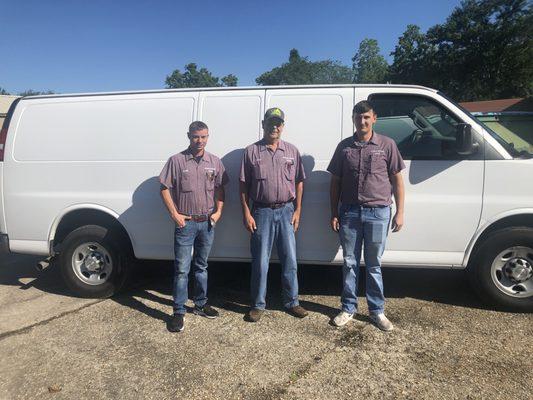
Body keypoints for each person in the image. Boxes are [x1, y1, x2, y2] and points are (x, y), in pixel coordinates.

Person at [327, 100, 405, 331]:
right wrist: (334, 212)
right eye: (358, 117)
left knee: (374, 264)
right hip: (349, 213)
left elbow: (397, 181)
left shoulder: (387, 145)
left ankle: (376, 311)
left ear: (374, 118)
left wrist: (400, 212)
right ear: (353, 119)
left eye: (366, 117)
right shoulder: (344, 147)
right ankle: (348, 308)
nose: (362, 121)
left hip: (378, 213)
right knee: (350, 263)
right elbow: (335, 183)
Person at [239, 107, 308, 322]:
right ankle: (258, 304)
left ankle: (292, 302)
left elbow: (299, 182)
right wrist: (246, 213)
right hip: (261, 212)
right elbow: (243, 186)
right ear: (263, 124)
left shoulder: (292, 151)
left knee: (290, 259)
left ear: (283, 126)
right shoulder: (251, 151)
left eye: (278, 123)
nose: (274, 127)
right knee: (261, 261)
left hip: (287, 211)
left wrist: (298, 210)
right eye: (271, 122)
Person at [159, 121, 228, 332]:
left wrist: (218, 212)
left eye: (204, 137)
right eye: (196, 137)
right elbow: (164, 187)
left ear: (208, 137)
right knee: (181, 269)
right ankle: (178, 311)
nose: (200, 141)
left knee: (202, 266)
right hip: (186, 224)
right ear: (189, 136)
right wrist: (174, 214)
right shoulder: (176, 161)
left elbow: (220, 189)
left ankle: (200, 304)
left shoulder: (215, 162)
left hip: (206, 223)